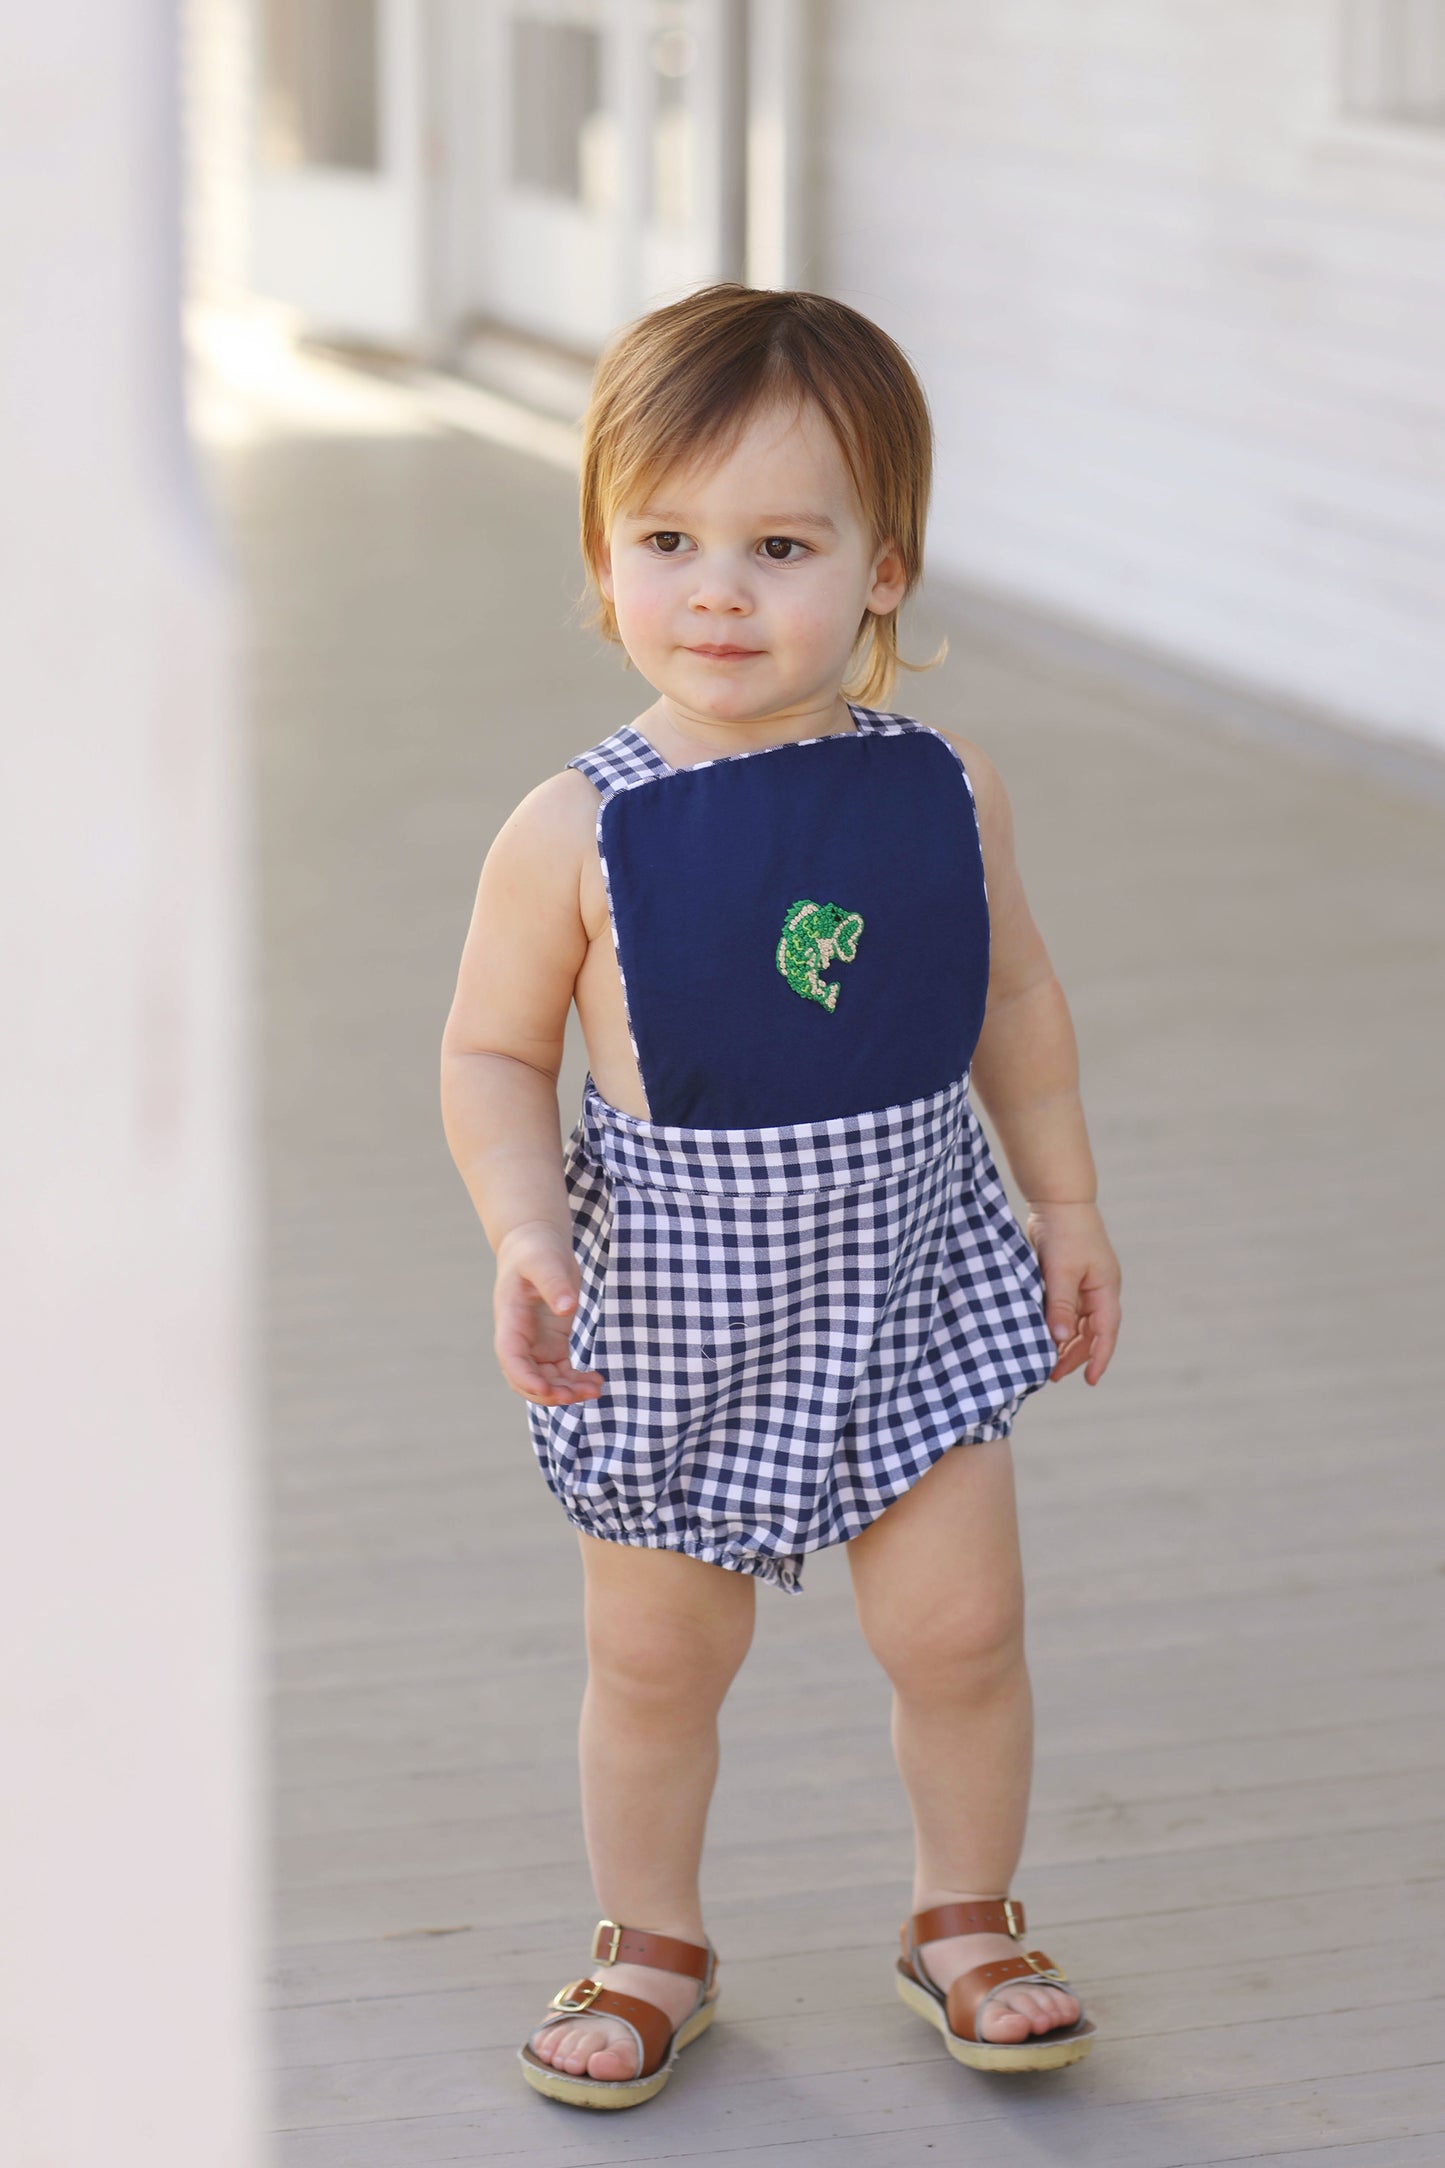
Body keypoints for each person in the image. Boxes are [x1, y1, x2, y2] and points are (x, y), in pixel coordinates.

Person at [440, 284, 1122, 2112]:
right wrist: (524, 1228)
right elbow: (495, 1056)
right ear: (601, 554)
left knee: (962, 1631)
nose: (718, 591)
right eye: (667, 540)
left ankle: (961, 1915)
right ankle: (648, 1937)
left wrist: (1064, 1204)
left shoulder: (938, 788)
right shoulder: (574, 825)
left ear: (882, 569)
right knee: (657, 1659)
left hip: (908, 1283)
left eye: (779, 544)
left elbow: (1014, 1004)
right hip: (671, 1312)